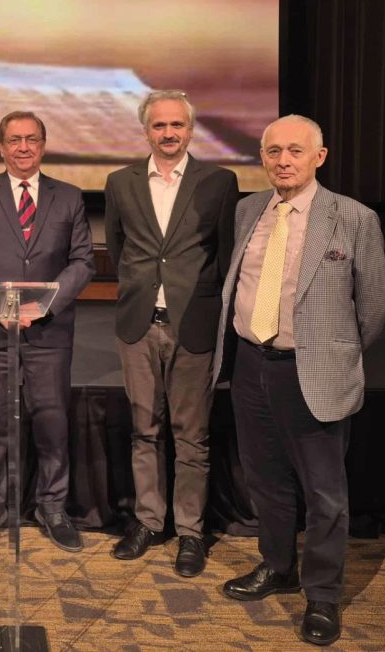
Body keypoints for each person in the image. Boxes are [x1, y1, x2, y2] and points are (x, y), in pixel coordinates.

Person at [217, 114, 385, 647]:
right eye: (273, 151)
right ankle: (277, 566)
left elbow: (374, 305)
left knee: (324, 494)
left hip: (311, 371)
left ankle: (322, 595)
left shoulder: (353, 218)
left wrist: (332, 355)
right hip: (251, 365)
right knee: (264, 480)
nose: (283, 161)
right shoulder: (249, 209)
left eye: (295, 150)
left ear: (320, 156)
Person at [103, 90, 238, 576]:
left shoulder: (219, 181)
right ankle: (147, 521)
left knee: (191, 436)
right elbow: (118, 246)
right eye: (159, 125)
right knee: (144, 430)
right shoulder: (120, 182)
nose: (168, 133)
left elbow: (225, 253)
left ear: (190, 130)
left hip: (193, 324)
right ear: (146, 131)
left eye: (177, 125)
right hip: (138, 323)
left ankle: (190, 532)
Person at [0, 110, 94, 552]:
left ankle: (52, 507)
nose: (23, 147)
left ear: (43, 145)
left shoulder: (69, 196)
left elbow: (82, 262)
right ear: (1, 147)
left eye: (32, 139)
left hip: (48, 332)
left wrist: (44, 305)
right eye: (14, 140)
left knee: (52, 421)